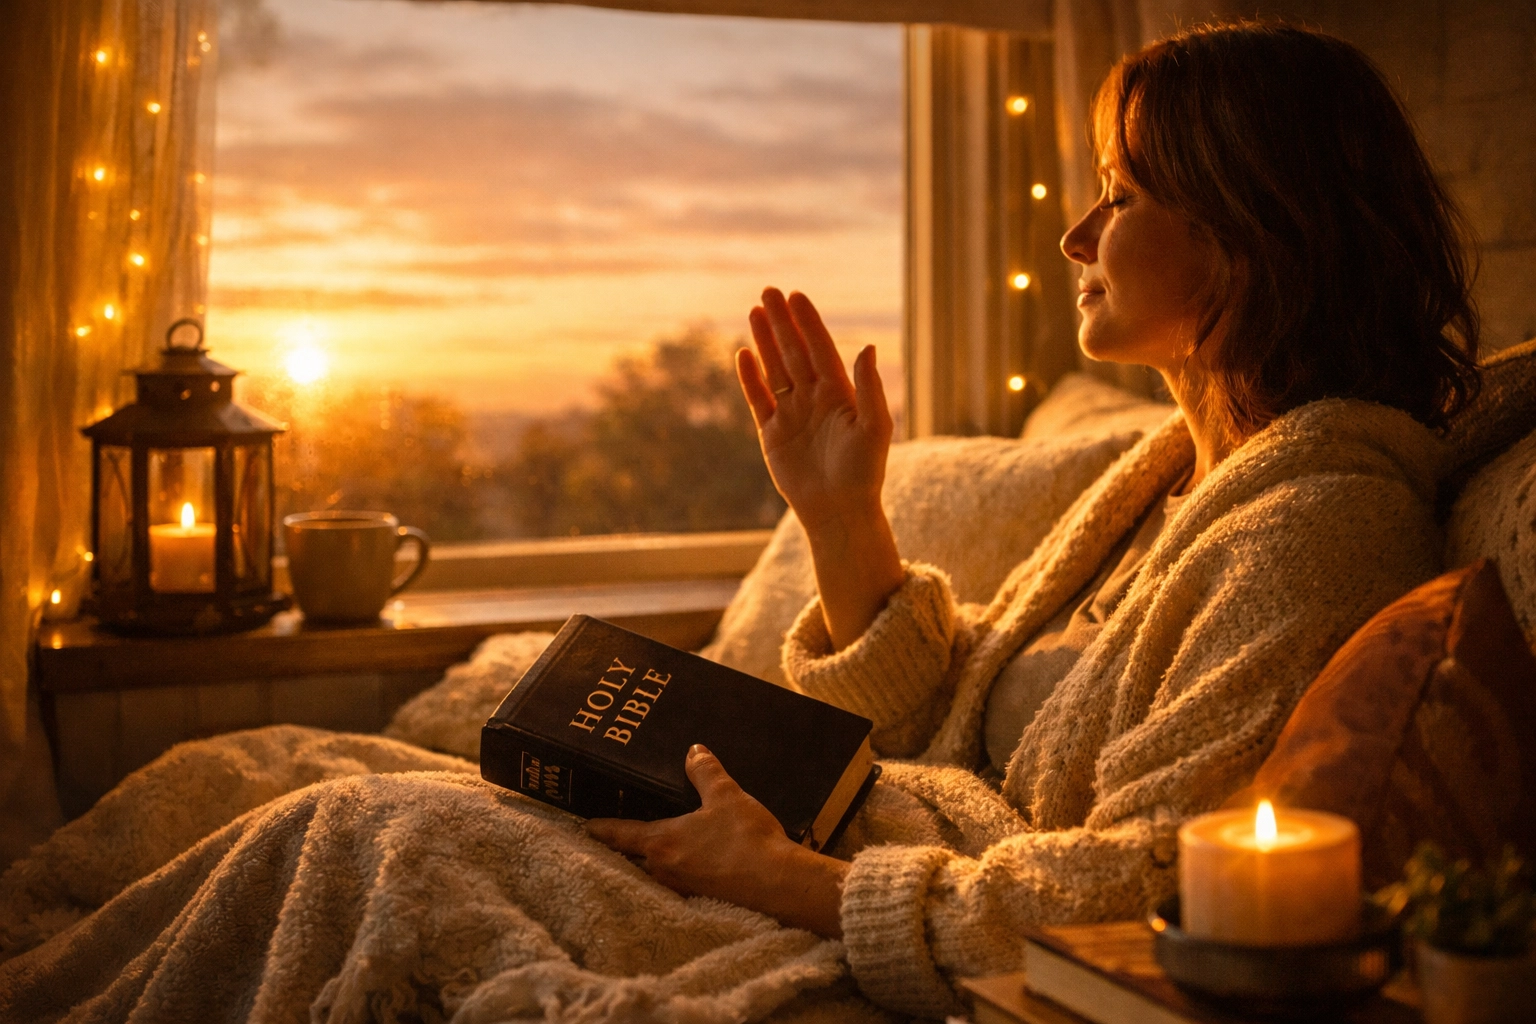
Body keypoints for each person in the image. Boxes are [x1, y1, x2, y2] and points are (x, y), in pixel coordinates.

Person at [587, 19, 1479, 1016]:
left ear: (1253, 229)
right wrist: (840, 517)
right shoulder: (1165, 475)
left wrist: (780, 878)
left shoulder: (1322, 532)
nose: (1076, 237)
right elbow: (951, 724)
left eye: (1122, 193)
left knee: (407, 846)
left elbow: (1149, 887)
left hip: (873, 914)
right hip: (850, 849)